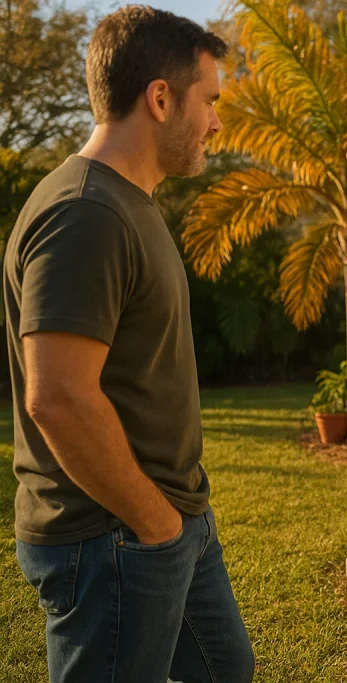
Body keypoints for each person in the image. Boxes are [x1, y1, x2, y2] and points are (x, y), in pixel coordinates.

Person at [3, 6, 254, 682]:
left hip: (168, 520)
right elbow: (57, 395)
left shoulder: (129, 201)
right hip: (111, 535)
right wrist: (154, 524)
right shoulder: (85, 212)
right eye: (210, 101)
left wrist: (175, 521)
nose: (217, 121)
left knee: (223, 667)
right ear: (161, 97)